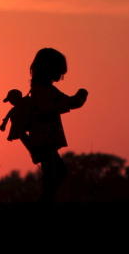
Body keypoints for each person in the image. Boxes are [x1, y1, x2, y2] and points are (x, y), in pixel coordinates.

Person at [23, 48, 89, 204]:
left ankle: (47, 200)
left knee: (56, 173)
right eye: (59, 71)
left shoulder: (41, 89)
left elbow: (67, 103)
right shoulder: (42, 91)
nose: (60, 76)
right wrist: (82, 95)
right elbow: (66, 103)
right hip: (43, 141)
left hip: (45, 141)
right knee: (55, 174)